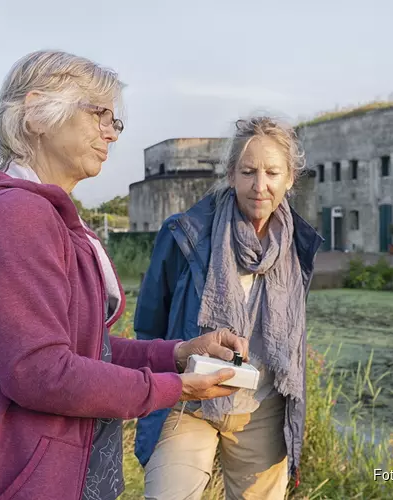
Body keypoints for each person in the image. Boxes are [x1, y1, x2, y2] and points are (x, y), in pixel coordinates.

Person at [0, 49, 249, 500]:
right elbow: (40, 372)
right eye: (99, 114)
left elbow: (82, 349)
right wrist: (171, 388)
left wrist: (176, 354)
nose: (110, 134)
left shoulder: (47, 216)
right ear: (37, 112)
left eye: (114, 122)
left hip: (58, 472)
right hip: (22, 480)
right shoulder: (14, 216)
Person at [134, 116, 324, 499]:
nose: (260, 185)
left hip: (262, 409)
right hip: (188, 399)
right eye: (248, 171)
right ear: (230, 173)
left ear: (290, 179)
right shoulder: (183, 233)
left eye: (272, 172)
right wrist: (158, 385)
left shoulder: (297, 245)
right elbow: (149, 324)